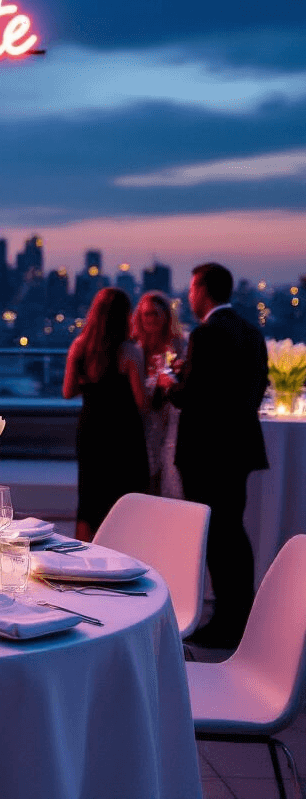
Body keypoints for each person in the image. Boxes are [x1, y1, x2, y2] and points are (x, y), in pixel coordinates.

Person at [159, 262, 269, 648]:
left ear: (204, 290)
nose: (189, 295)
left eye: (192, 288)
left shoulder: (206, 334)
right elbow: (254, 388)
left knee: (219, 537)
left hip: (207, 452)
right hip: (239, 448)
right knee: (233, 533)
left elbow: (193, 397)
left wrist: (170, 383)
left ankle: (225, 623)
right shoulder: (251, 333)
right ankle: (239, 617)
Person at [64, 287, 149, 541]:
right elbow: (141, 402)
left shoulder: (79, 346)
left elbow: (67, 392)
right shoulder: (130, 351)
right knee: (124, 500)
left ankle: (83, 563)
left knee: (89, 502)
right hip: (123, 434)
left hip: (91, 431)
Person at [131, 291, 185, 500]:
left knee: (170, 473)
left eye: (155, 314)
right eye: (145, 315)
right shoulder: (135, 348)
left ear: (166, 316)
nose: (150, 319)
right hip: (144, 420)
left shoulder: (179, 345)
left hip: (171, 418)